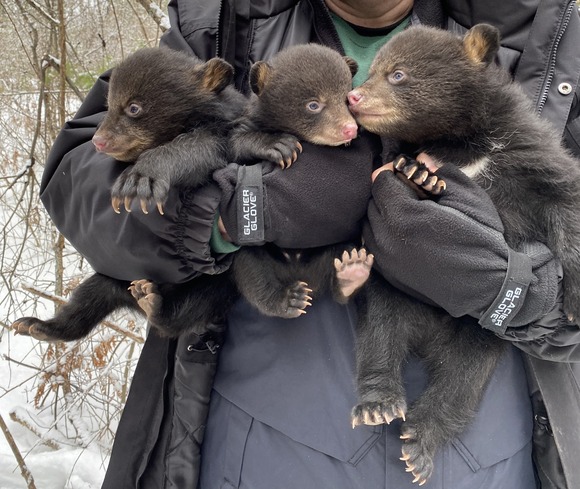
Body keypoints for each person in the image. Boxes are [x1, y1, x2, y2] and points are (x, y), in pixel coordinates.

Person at [38, 0, 580, 488]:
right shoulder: (224, 23)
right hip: (260, 442)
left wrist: (512, 292)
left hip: (480, 450)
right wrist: (231, 217)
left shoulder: (541, 33)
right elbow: (79, 176)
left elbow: (565, 209)